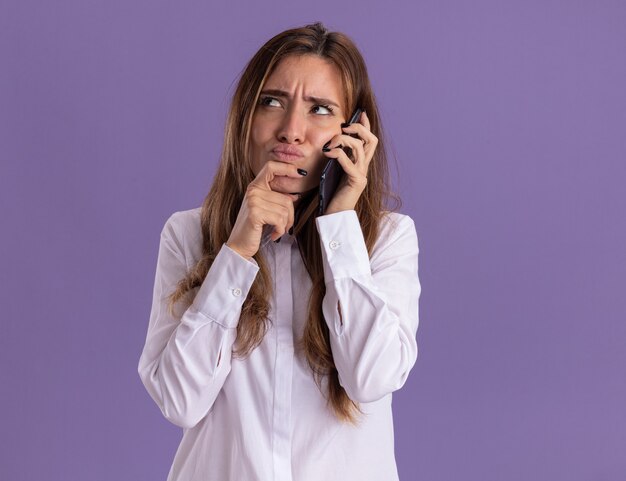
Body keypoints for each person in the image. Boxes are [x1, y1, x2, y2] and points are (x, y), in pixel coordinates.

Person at [137, 21, 421, 481]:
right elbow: (179, 400)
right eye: (272, 101)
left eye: (320, 109)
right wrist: (236, 253)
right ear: (245, 117)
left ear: (354, 132)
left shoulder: (386, 239)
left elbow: (372, 378)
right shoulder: (188, 234)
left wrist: (341, 228)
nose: (292, 131)